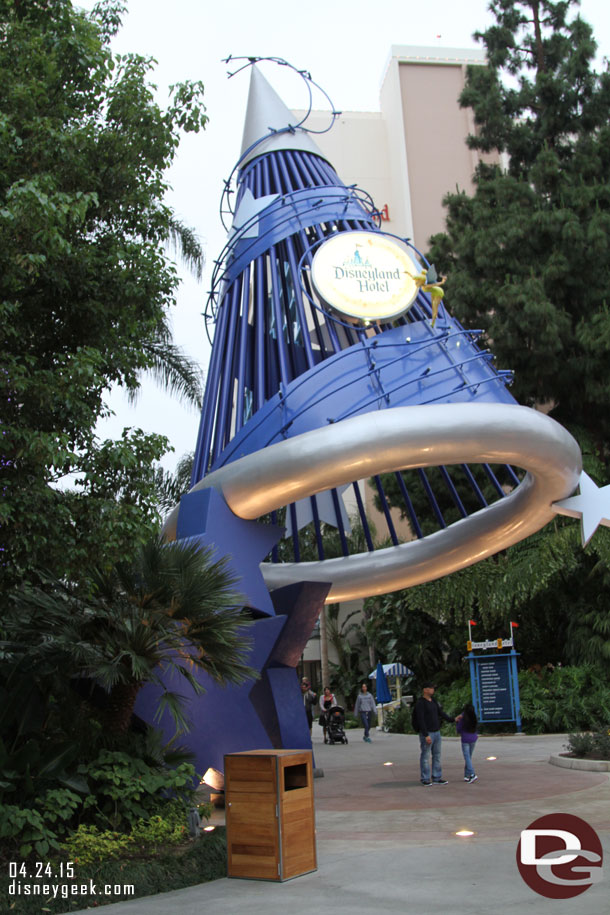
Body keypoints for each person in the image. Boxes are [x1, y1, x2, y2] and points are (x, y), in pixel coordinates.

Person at [412, 681, 456, 786]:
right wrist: (426, 734)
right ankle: (425, 778)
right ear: (425, 689)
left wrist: (453, 719)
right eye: (431, 688)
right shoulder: (420, 703)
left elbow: (441, 713)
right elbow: (420, 719)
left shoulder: (433, 701)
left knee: (437, 755)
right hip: (427, 733)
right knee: (425, 756)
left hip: (436, 732)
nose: (433, 690)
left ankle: (437, 777)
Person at [456, 702, 478, 783]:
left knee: (467, 757)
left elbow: (458, 729)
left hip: (465, 739)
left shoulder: (463, 717)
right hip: (473, 738)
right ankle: (466, 775)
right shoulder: (474, 716)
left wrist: (457, 722)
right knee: (469, 757)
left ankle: (472, 774)